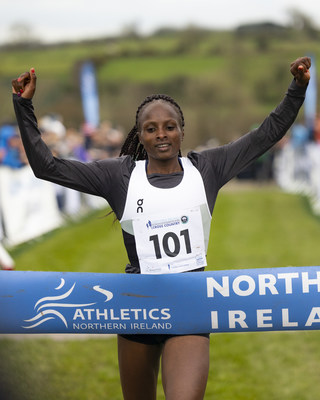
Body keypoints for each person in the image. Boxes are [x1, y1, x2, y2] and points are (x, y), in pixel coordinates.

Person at [11, 57, 310, 400]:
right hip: (136, 307)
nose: (161, 135)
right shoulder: (119, 175)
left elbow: (265, 135)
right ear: (140, 135)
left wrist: (297, 89)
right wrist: (24, 106)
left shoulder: (207, 168)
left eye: (169, 127)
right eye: (151, 129)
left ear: (182, 130)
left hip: (188, 305)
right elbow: (48, 167)